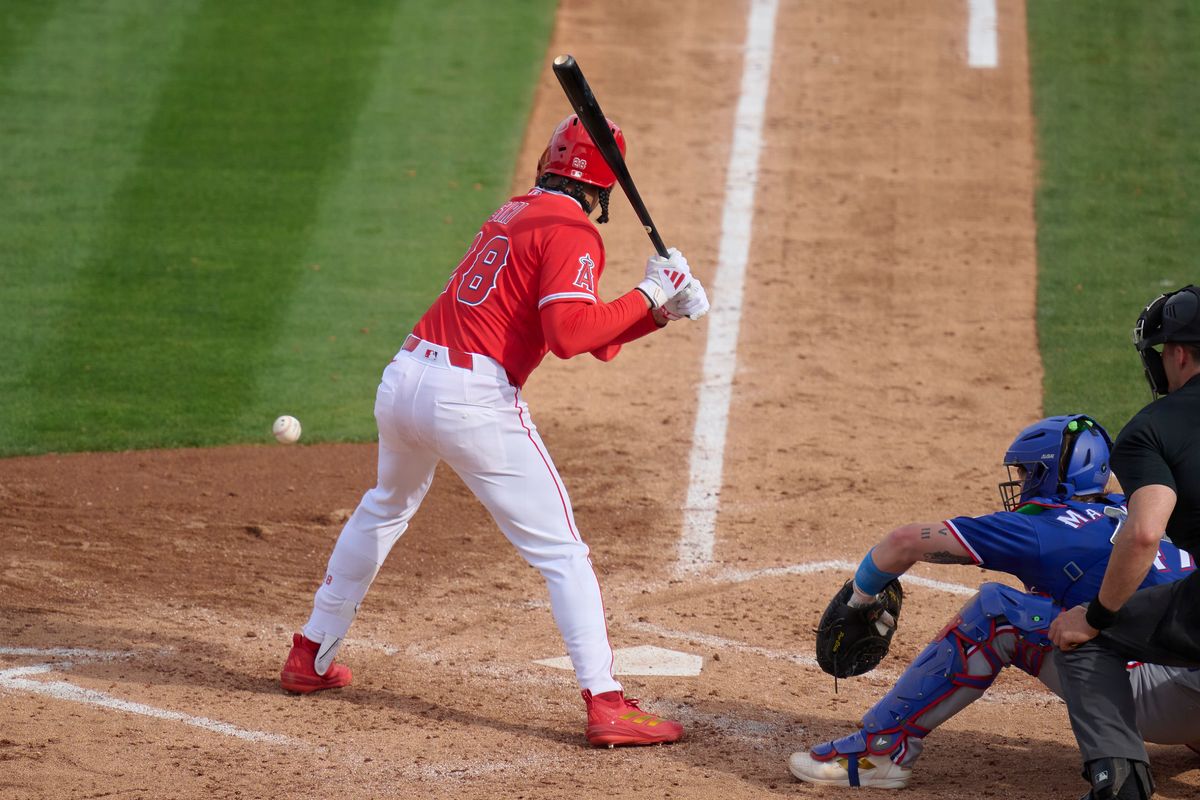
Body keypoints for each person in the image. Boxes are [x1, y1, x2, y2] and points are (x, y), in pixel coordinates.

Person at [278, 114, 710, 747]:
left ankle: (310, 652)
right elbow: (569, 338)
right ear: (605, 182)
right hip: (469, 400)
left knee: (385, 506)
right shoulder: (574, 234)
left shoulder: (515, 213)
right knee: (563, 554)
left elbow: (591, 336)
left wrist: (659, 311)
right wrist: (650, 290)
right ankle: (608, 704)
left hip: (405, 379)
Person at [787, 414, 1200, 789]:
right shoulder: (1138, 511)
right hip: (1189, 675)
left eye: (1026, 471)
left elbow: (903, 542)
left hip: (1164, 699)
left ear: (1050, 475)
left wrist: (862, 595)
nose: (1020, 482)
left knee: (996, 610)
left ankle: (880, 752)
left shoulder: (1041, 528)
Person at [1048, 286, 1200, 799]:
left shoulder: (1152, 429)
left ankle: (1122, 787)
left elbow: (1144, 533)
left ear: (1178, 353)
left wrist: (1096, 616)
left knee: (1084, 638)